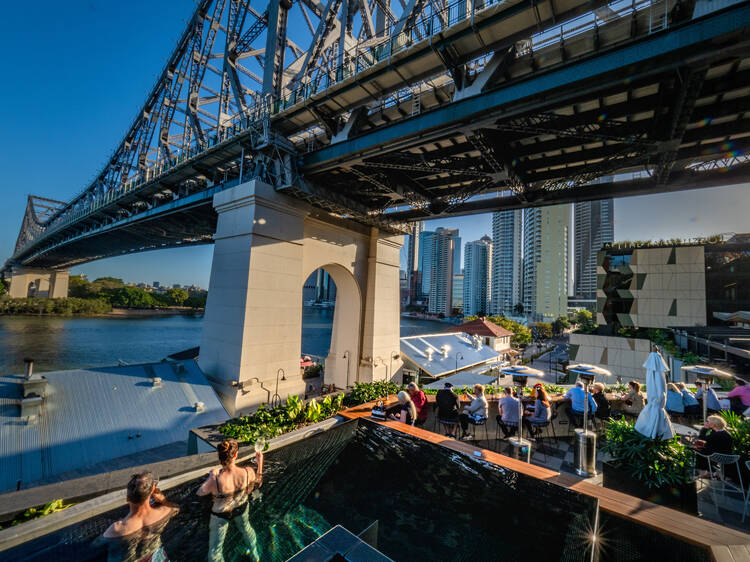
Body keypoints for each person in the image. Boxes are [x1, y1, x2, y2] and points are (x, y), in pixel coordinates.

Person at [197, 439, 262, 562]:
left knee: (215, 550)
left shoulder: (215, 479)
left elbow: (200, 493)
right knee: (246, 529)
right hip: (241, 507)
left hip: (221, 514)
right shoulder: (248, 471)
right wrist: (260, 463)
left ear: (219, 457)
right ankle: (255, 555)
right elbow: (257, 484)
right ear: (236, 455)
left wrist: (212, 475)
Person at [100, 471, 179, 562]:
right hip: (156, 557)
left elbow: (97, 544)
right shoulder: (164, 511)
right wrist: (164, 500)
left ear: (127, 498)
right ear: (152, 493)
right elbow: (176, 508)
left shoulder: (117, 528)